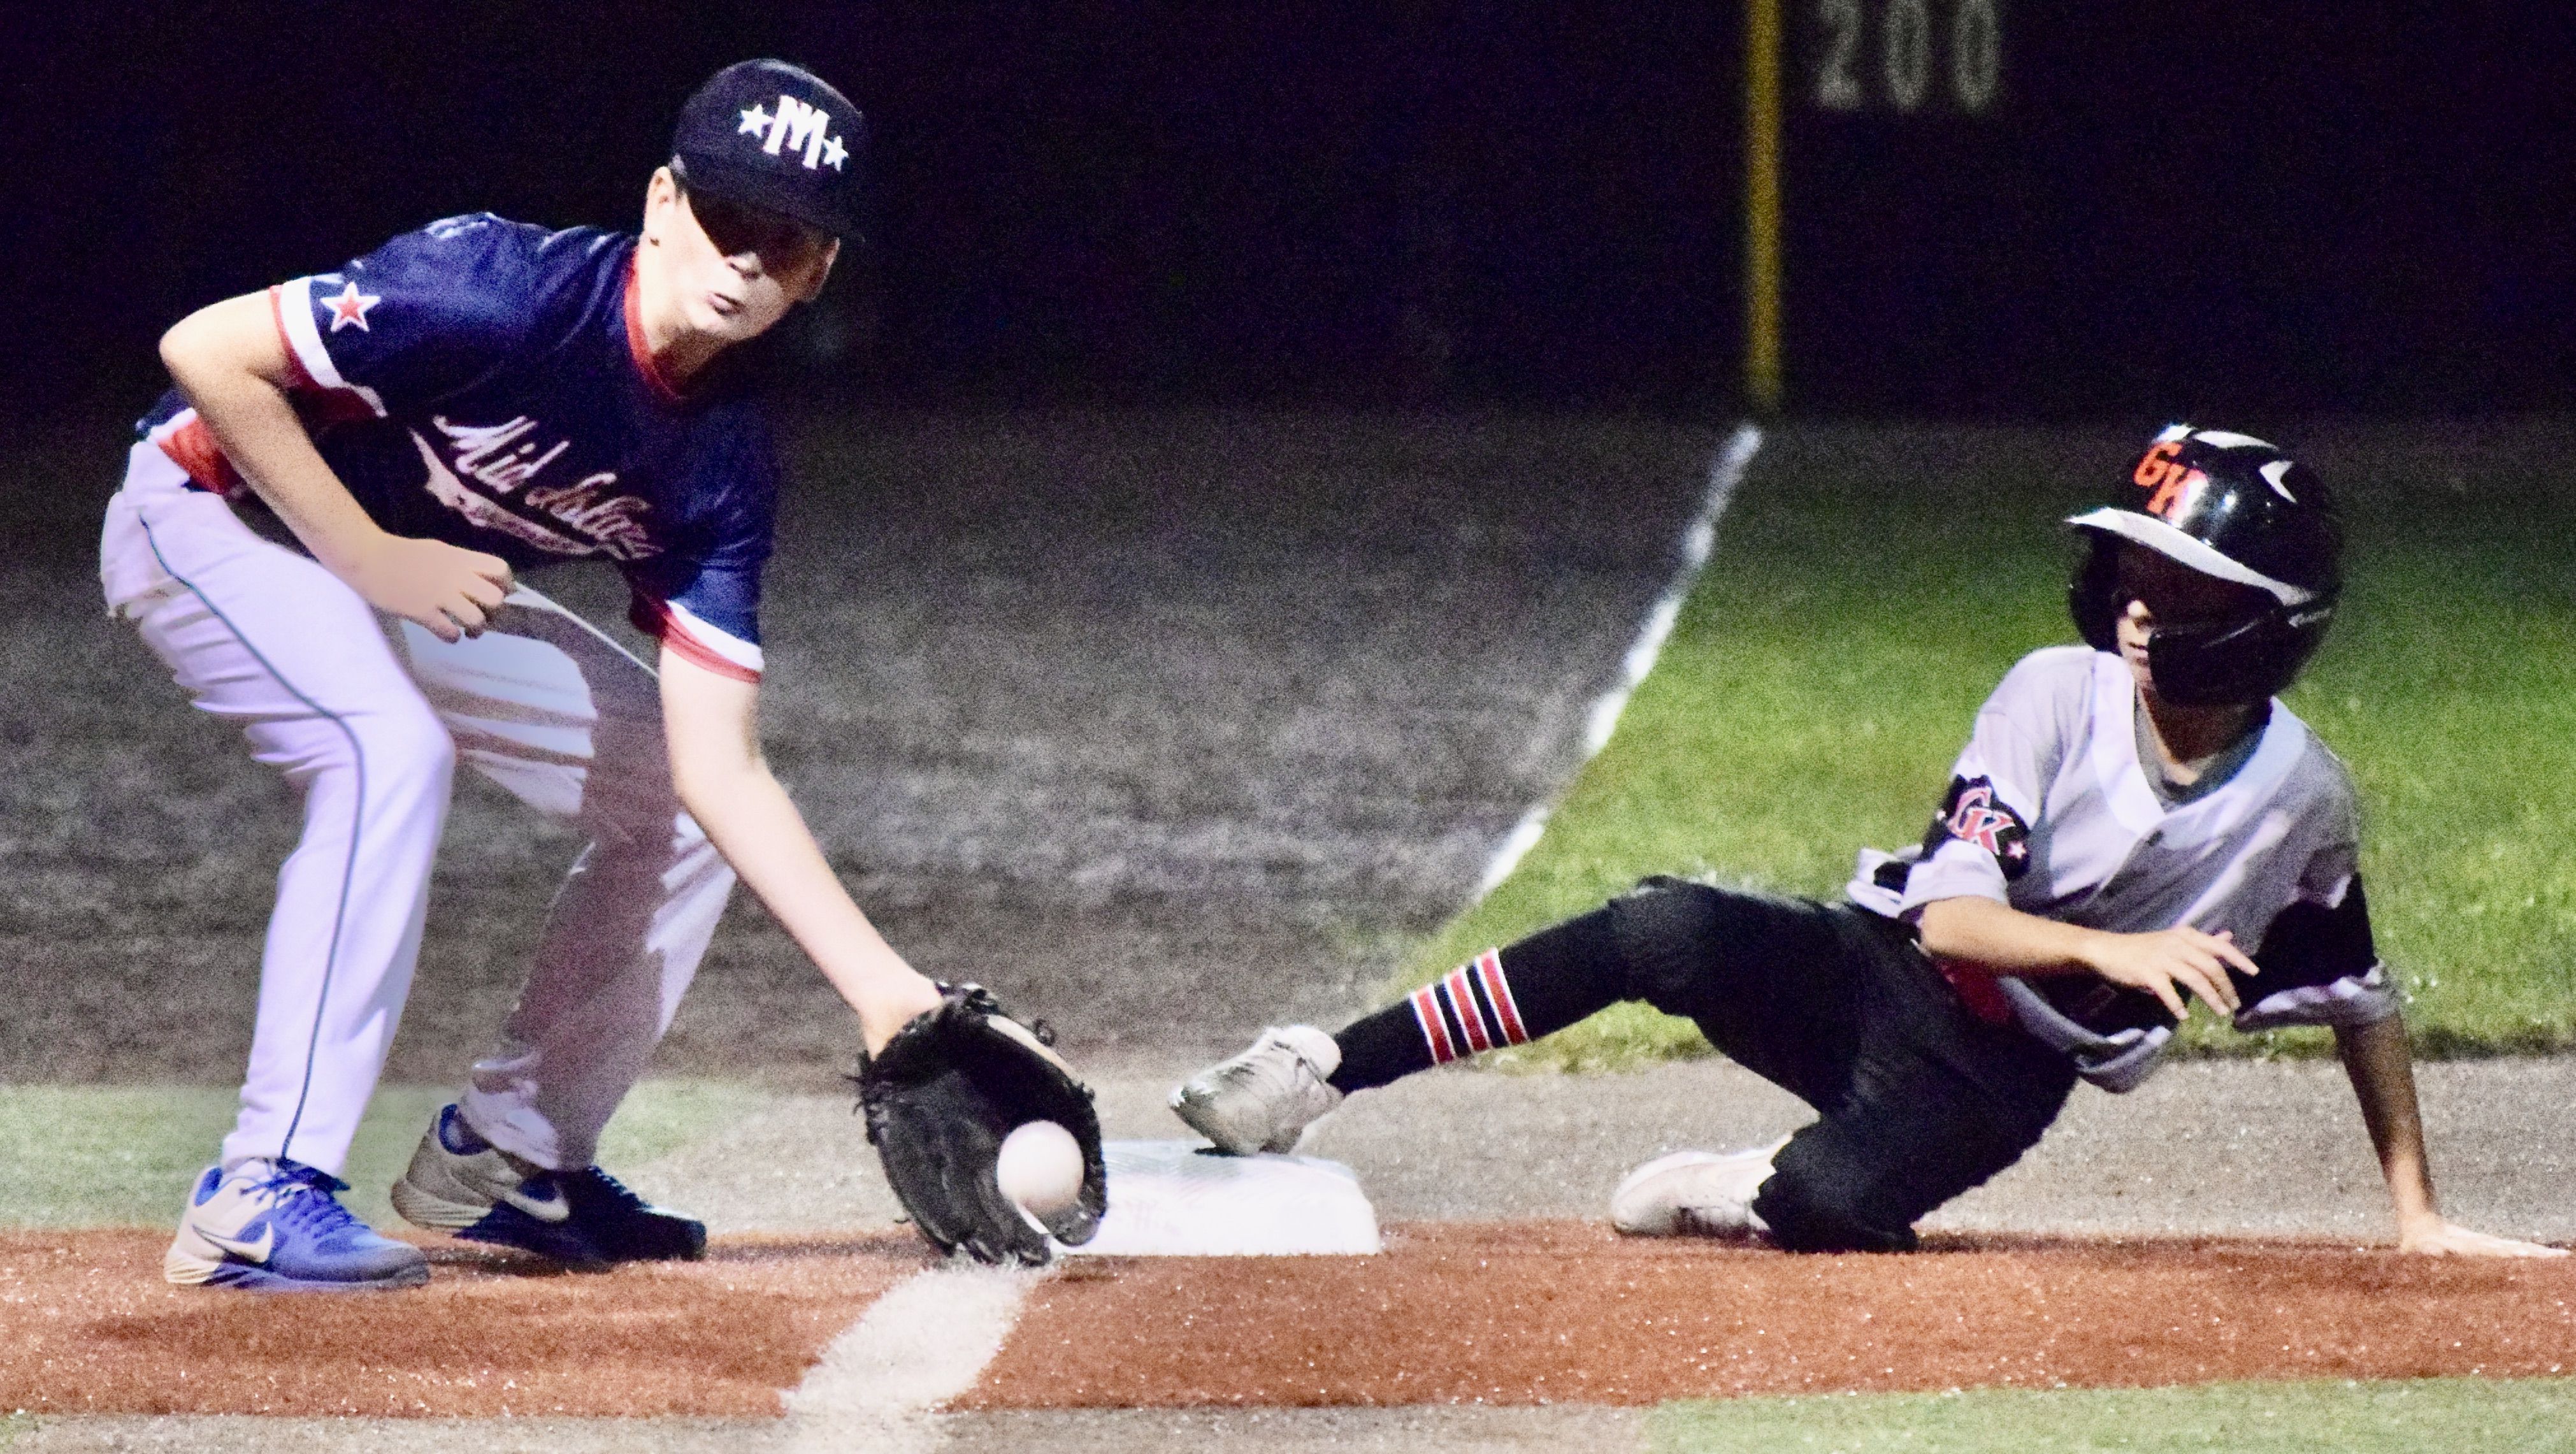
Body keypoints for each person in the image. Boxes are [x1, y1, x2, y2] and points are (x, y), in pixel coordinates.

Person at [1173, 426, 2563, 1258]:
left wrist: (2417, 1213)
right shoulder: (2050, 691)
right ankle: (1322, 1066)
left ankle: (1741, 1183)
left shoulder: (2302, 797)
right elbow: (1953, 920)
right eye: (2130, 572)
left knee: (1835, 1203)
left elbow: (2359, 1001)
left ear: (2266, 617)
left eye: (2175, 580)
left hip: (1997, 1078)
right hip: (1875, 969)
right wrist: (2110, 945)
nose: (2136, 605)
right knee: (1668, 925)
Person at [112, 60, 955, 1290]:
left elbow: (724, 764)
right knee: (383, 749)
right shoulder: (498, 293)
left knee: (671, 794)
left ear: (820, 270)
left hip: (389, 583)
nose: (745, 261)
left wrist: (888, 994)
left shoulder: (720, 462)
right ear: (664, 200)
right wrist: (368, 552)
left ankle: (518, 1153)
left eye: (789, 242)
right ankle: (256, 1190)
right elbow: (206, 351)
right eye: (728, 218)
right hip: (207, 511)